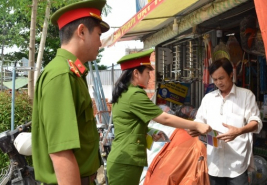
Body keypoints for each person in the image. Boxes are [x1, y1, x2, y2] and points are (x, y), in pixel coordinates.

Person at [31, 1, 110, 184]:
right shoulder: (62, 76)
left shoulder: (73, 73)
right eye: (98, 35)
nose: (100, 42)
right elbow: (61, 153)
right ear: (81, 32)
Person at [106, 49, 212, 185]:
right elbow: (165, 118)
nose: (150, 77)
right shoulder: (134, 95)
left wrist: (151, 132)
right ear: (136, 73)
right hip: (127, 162)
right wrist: (196, 125)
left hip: (123, 159)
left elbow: (129, 125)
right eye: (147, 73)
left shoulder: (124, 93)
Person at [187, 57, 262, 185]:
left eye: (221, 78)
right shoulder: (208, 98)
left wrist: (239, 131)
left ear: (231, 74)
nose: (219, 83)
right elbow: (199, 121)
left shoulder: (246, 95)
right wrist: (195, 129)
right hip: (214, 163)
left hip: (237, 163)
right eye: (215, 79)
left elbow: (256, 122)